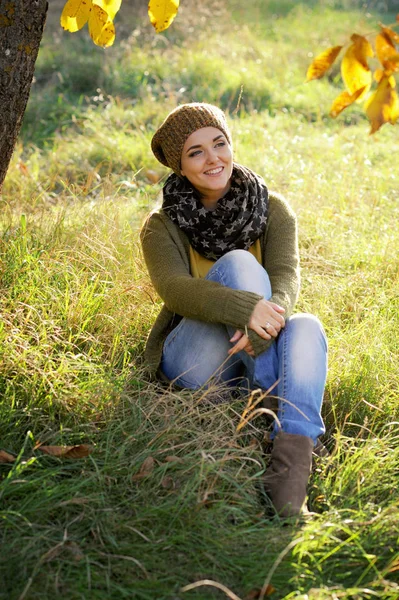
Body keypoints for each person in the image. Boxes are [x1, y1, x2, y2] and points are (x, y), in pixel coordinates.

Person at [140, 102, 328, 518]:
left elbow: (286, 276)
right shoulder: (162, 224)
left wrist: (268, 315)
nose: (213, 159)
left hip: (251, 346)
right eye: (196, 152)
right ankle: (272, 397)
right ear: (180, 166)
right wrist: (246, 309)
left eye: (219, 143)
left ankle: (290, 479)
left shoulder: (272, 208)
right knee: (240, 264)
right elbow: (173, 291)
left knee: (307, 326)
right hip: (198, 361)